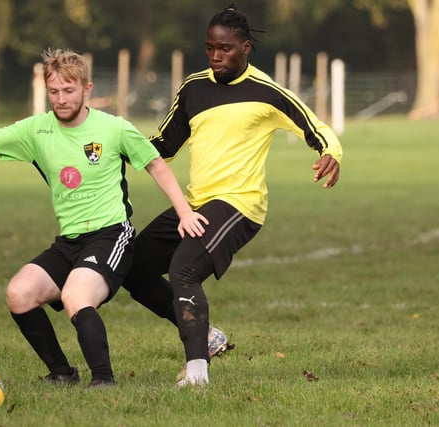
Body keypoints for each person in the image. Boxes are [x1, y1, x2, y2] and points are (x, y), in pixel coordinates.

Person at [0, 48, 207, 388]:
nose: (61, 99)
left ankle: (104, 381)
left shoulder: (114, 128)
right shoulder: (38, 129)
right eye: (54, 92)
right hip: (69, 241)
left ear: (87, 89)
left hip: (112, 235)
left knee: (75, 297)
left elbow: (156, 164)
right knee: (19, 293)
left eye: (69, 91)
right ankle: (63, 373)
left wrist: (184, 212)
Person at [123, 5, 343, 387]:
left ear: (245, 47)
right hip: (194, 204)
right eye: (210, 48)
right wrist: (120, 147)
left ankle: (197, 374)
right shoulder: (193, 88)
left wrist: (330, 152)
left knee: (184, 270)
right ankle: (206, 336)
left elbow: (314, 126)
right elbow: (164, 144)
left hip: (239, 205)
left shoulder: (265, 92)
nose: (215, 56)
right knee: (133, 269)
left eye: (224, 49)